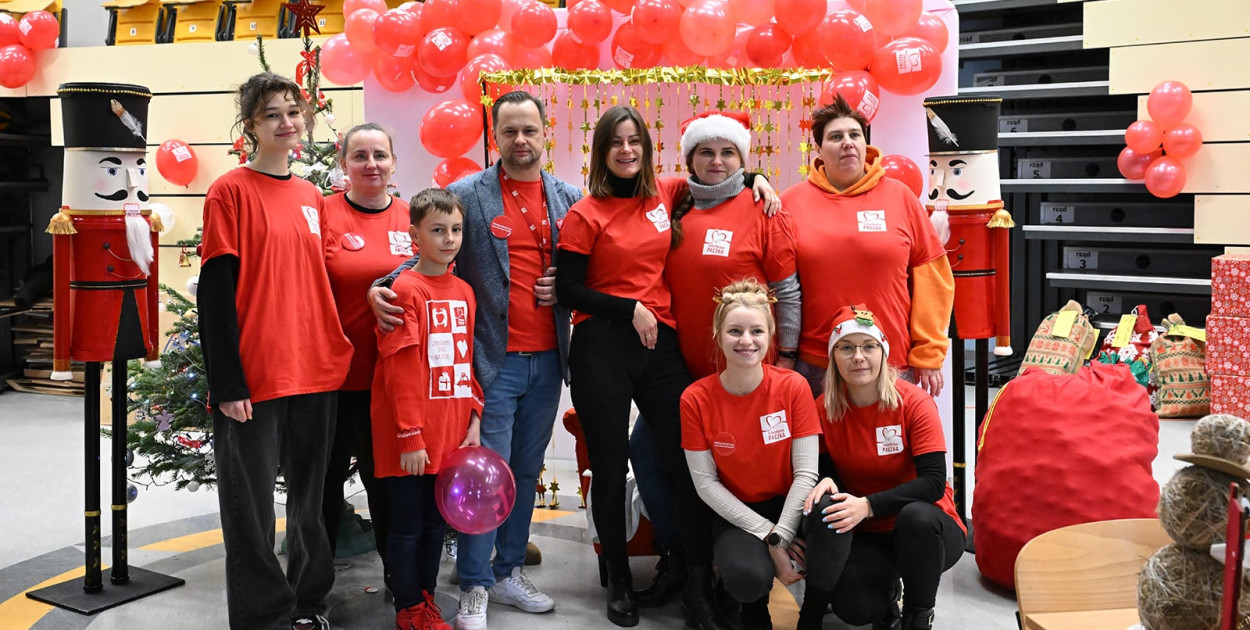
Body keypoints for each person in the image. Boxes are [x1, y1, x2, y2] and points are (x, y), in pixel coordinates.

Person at [369, 91, 578, 630]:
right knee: (484, 474)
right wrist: (380, 287)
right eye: (509, 131)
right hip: (491, 363)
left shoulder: (568, 198)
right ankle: (475, 584)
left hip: (550, 360)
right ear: (495, 135)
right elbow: (422, 257)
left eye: (529, 129)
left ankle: (507, 572)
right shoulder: (469, 194)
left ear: (544, 130)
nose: (520, 140)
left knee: (524, 473)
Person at [554, 104, 730, 630]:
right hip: (602, 347)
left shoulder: (668, 193)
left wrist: (761, 182)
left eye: (635, 141)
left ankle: (697, 581)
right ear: (602, 152)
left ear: (647, 149)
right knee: (609, 468)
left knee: (688, 464)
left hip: (659, 345)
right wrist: (628, 308)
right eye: (616, 143)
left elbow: (721, 175)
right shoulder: (585, 213)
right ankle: (620, 584)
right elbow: (567, 289)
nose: (627, 151)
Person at [199, 72, 352, 630]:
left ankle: (309, 605)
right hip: (257, 378)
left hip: (315, 370)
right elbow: (215, 294)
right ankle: (265, 619)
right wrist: (229, 382)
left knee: (310, 508)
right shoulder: (230, 191)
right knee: (251, 513)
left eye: (294, 112)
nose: (287, 123)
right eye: (272, 115)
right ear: (251, 126)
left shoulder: (313, 196)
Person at [680, 279, 846, 630]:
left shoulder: (792, 387)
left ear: (771, 335)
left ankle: (812, 616)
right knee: (745, 577)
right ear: (718, 334)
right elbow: (707, 485)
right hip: (738, 512)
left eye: (756, 331)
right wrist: (771, 538)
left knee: (833, 511)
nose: (746, 341)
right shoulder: (694, 399)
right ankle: (755, 616)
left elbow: (805, 474)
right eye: (735, 331)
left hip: (792, 503)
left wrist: (781, 534)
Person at [799, 305, 966, 630]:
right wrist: (823, 482)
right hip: (867, 531)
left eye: (868, 346)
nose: (858, 357)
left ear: (883, 352)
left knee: (915, 517)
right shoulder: (824, 408)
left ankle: (918, 616)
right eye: (847, 348)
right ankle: (882, 595)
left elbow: (932, 483)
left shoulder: (914, 402)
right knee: (857, 609)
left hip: (928, 528)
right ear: (834, 357)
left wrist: (868, 505)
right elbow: (824, 471)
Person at [779, 95, 953, 397]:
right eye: (835, 137)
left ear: (865, 144)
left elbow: (933, 279)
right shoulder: (790, 203)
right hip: (816, 366)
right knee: (818, 446)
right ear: (819, 149)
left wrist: (929, 351)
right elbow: (779, 286)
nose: (847, 142)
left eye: (854, 134)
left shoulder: (900, 197)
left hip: (891, 363)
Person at [372, 188, 483, 630]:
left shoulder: (464, 291)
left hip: (450, 435)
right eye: (438, 230)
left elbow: (464, 359)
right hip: (411, 440)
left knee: (436, 529)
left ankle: (426, 599)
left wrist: (474, 415)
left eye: (456, 229)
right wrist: (409, 435)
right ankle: (408, 608)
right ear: (414, 234)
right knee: (407, 528)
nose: (449, 238)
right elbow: (400, 369)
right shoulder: (404, 289)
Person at [321, 123, 409, 563]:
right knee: (323, 488)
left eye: (380, 155)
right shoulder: (323, 214)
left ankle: (403, 587)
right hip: (333, 382)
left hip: (392, 383)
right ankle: (312, 593)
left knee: (387, 488)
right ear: (344, 165)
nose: (371, 164)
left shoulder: (414, 217)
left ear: (394, 163)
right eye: (360, 156)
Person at [668, 110, 801, 378]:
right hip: (682, 366)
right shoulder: (674, 205)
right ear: (690, 160)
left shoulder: (764, 209)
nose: (717, 161)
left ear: (741, 159)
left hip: (749, 365)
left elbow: (787, 292)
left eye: (727, 152)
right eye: (706, 152)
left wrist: (787, 355)